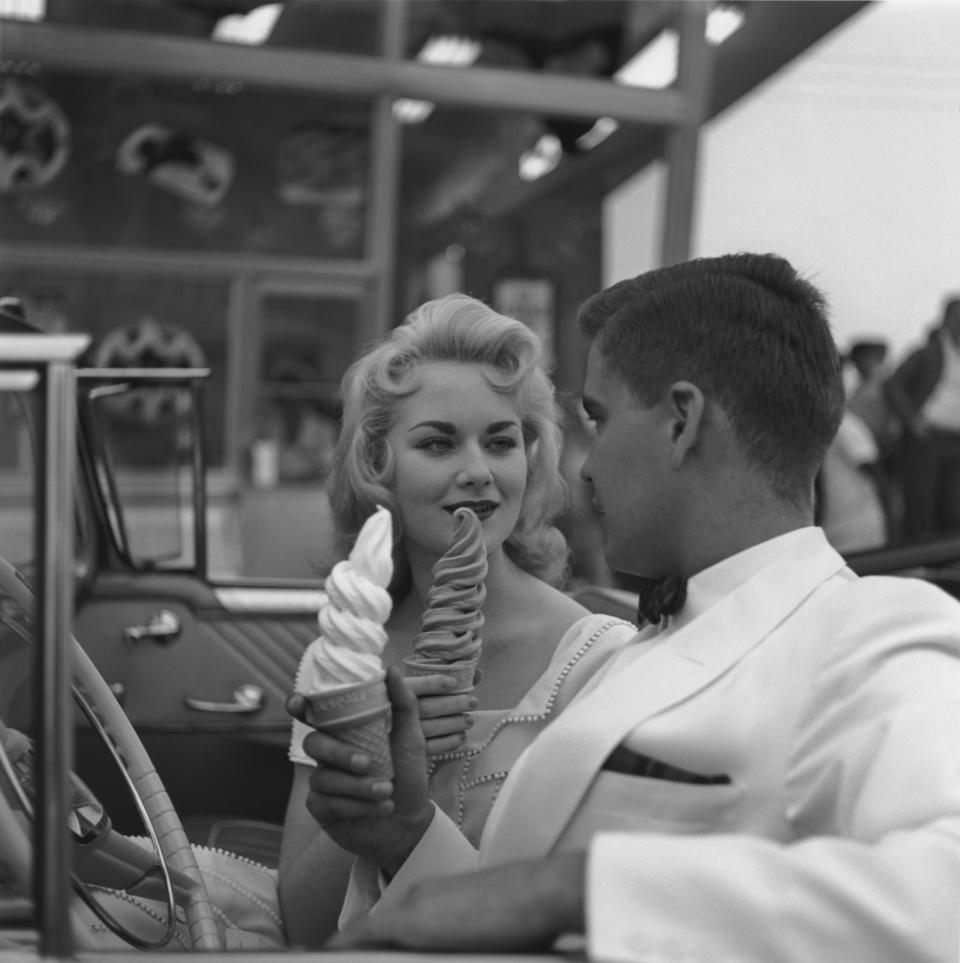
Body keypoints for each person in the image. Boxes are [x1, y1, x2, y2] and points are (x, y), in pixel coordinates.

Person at [298, 253, 960, 963]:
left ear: (681, 422)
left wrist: (575, 887)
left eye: (598, 418)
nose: (582, 466)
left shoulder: (873, 629)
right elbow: (491, 913)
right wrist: (403, 830)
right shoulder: (639, 649)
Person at [277, 293, 636, 945]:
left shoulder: (599, 663)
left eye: (500, 441)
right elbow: (301, 925)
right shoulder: (346, 659)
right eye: (438, 442)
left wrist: (416, 813)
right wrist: (373, 783)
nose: (478, 472)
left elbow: (583, 925)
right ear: (378, 466)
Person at [884, 296, 960, 541]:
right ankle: (918, 567)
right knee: (921, 505)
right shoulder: (927, 353)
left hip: (955, 441)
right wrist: (911, 420)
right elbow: (893, 385)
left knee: (952, 507)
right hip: (927, 438)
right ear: (948, 319)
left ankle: (947, 568)